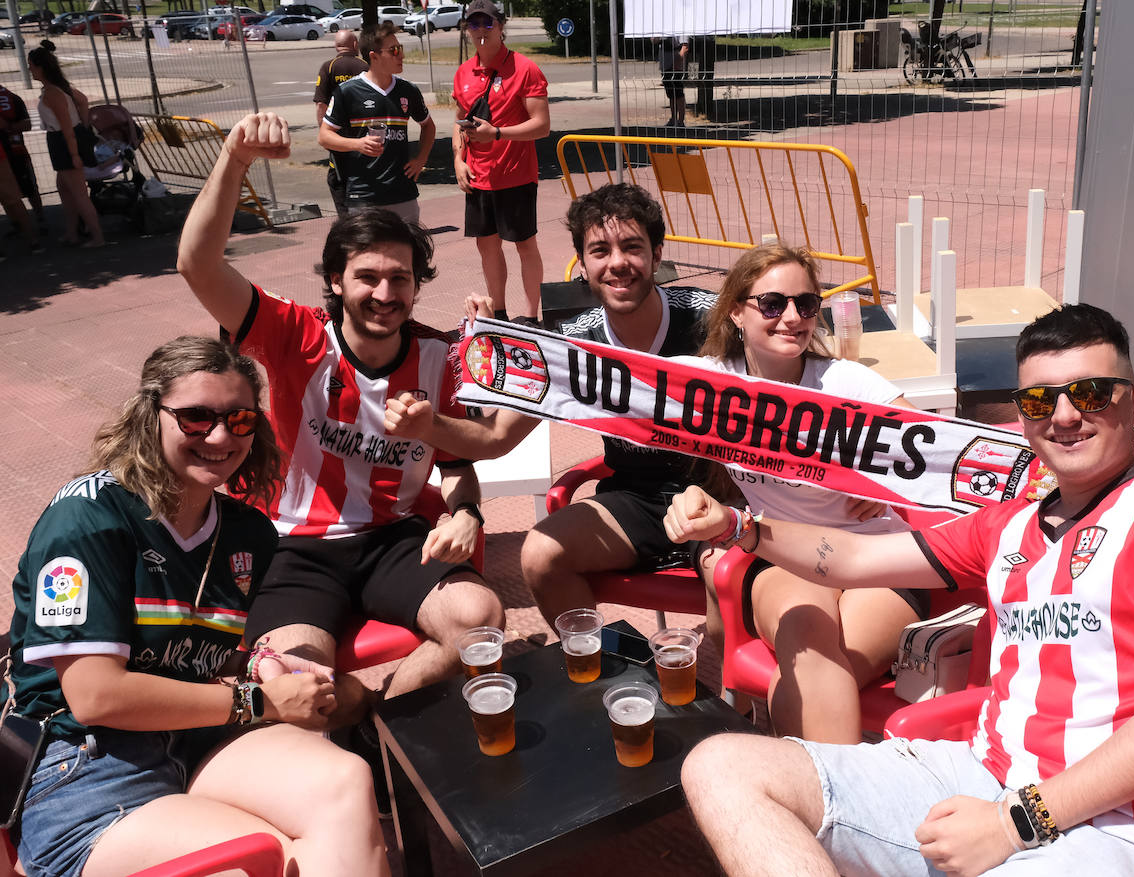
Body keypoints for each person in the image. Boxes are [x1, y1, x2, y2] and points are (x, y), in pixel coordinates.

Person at [667, 303, 1134, 877]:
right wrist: (736, 525)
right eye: (1038, 400)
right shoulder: (1008, 524)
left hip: (1127, 830)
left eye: (1088, 393)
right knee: (723, 766)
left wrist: (1012, 824)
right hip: (983, 777)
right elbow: (849, 557)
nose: (1062, 416)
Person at [6, 335, 389, 877]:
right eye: (194, 417)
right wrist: (260, 702)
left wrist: (253, 664)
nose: (218, 436)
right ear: (149, 415)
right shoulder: (89, 519)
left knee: (344, 783)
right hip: (86, 760)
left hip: (195, 734)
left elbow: (182, 649)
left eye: (239, 420)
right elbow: (94, 694)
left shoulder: (248, 533)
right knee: (264, 856)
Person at [178, 111, 503, 729]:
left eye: (400, 278)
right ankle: (364, 729)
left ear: (417, 286)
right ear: (336, 281)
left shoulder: (444, 359)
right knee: (296, 689)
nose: (385, 293)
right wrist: (234, 159)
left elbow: (460, 463)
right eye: (368, 277)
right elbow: (197, 263)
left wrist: (466, 512)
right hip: (295, 547)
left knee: (480, 623)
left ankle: (387, 733)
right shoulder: (295, 335)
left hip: (395, 540)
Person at [399, 182, 714, 627]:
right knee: (541, 554)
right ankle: (603, 670)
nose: (618, 263)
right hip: (636, 501)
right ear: (582, 265)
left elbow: (800, 385)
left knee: (727, 574)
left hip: (718, 493)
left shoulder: (713, 320)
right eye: (600, 250)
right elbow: (494, 438)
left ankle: (728, 698)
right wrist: (430, 425)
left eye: (632, 247)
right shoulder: (572, 344)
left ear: (658, 255)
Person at [672, 242, 929, 743]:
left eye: (806, 304)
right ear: (735, 312)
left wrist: (888, 483)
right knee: (811, 655)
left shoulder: (847, 381)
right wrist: (491, 342)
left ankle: (799, 797)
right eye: (772, 304)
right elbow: (596, 377)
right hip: (782, 550)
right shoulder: (710, 383)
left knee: (814, 677)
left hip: (875, 554)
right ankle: (836, 807)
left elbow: (934, 450)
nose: (792, 317)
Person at [452, 0, 549, 324]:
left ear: (501, 26)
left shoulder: (525, 69)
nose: (480, 30)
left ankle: (533, 317)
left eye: (487, 23)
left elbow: (542, 125)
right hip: (478, 176)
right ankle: (501, 315)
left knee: (524, 245)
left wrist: (497, 134)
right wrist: (458, 160)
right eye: (473, 24)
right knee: (487, 247)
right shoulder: (463, 73)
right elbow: (458, 120)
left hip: (516, 174)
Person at [319, 22, 435, 224]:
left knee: (409, 254)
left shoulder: (408, 90)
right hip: (364, 198)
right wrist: (357, 144)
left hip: (403, 194)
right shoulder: (347, 92)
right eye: (395, 50)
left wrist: (421, 159)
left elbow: (428, 126)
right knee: (366, 255)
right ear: (374, 56)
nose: (402, 56)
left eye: (401, 49)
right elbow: (324, 136)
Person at [27, 41, 105, 248]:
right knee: (63, 187)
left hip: (64, 140)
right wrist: (84, 126)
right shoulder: (58, 87)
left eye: (31, 66)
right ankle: (72, 233)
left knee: (78, 192)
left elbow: (67, 128)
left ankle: (97, 237)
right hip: (61, 139)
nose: (29, 70)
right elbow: (83, 100)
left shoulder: (54, 92)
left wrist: (75, 154)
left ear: (41, 67)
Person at [313, 29, 368, 217]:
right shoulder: (365, 66)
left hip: (338, 137)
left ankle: (346, 221)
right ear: (355, 45)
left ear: (336, 46)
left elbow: (321, 104)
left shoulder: (328, 67)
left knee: (338, 181)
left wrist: (324, 133)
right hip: (365, 136)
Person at [0, 82, 46, 232]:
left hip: (16, 152)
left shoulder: (12, 98)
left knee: (29, 188)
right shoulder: (12, 97)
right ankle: (16, 224)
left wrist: (8, 126)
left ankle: (40, 219)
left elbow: (27, 124)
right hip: (5, 155)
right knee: (6, 193)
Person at [658, 33, 689, 128]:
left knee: (678, 93)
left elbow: (685, 47)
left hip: (676, 66)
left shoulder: (680, 28)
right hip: (665, 64)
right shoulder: (663, 28)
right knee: (670, 93)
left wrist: (677, 61)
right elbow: (654, 40)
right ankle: (673, 118)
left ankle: (681, 121)